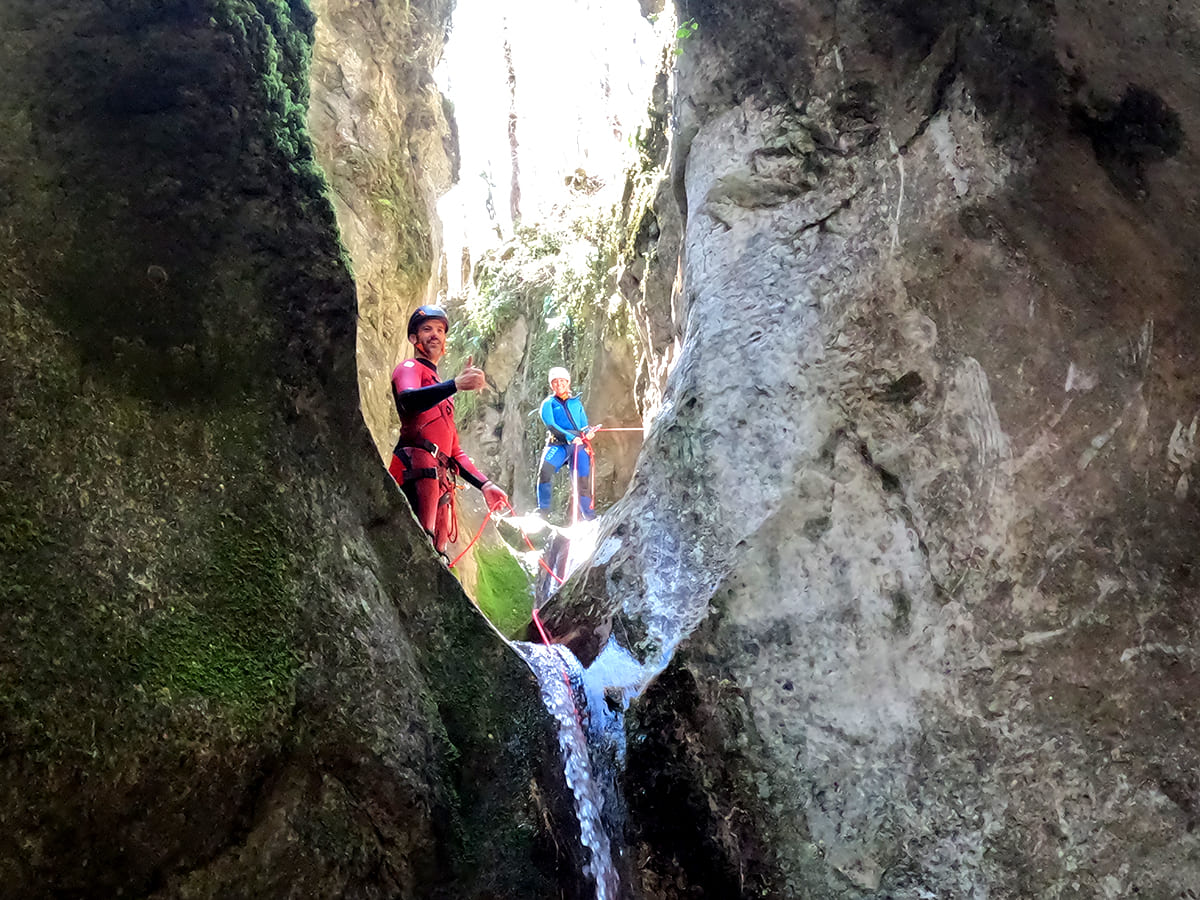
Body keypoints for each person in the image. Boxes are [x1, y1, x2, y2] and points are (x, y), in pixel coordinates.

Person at [389, 305, 508, 555]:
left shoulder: (444, 394)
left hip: (438, 479)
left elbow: (453, 451)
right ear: (414, 338)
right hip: (415, 468)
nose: (435, 334)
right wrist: (454, 384)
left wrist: (485, 485)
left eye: (440, 330)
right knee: (417, 549)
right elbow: (408, 400)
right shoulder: (410, 368)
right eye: (427, 329)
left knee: (436, 554)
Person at [537, 366, 599, 520]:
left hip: (578, 446)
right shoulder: (548, 403)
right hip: (558, 444)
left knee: (582, 483)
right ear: (551, 385)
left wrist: (588, 432)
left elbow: (583, 425)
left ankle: (589, 517)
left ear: (568, 383)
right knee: (545, 472)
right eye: (555, 382)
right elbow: (551, 425)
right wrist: (569, 438)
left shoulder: (576, 403)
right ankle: (543, 512)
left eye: (562, 381)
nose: (559, 384)